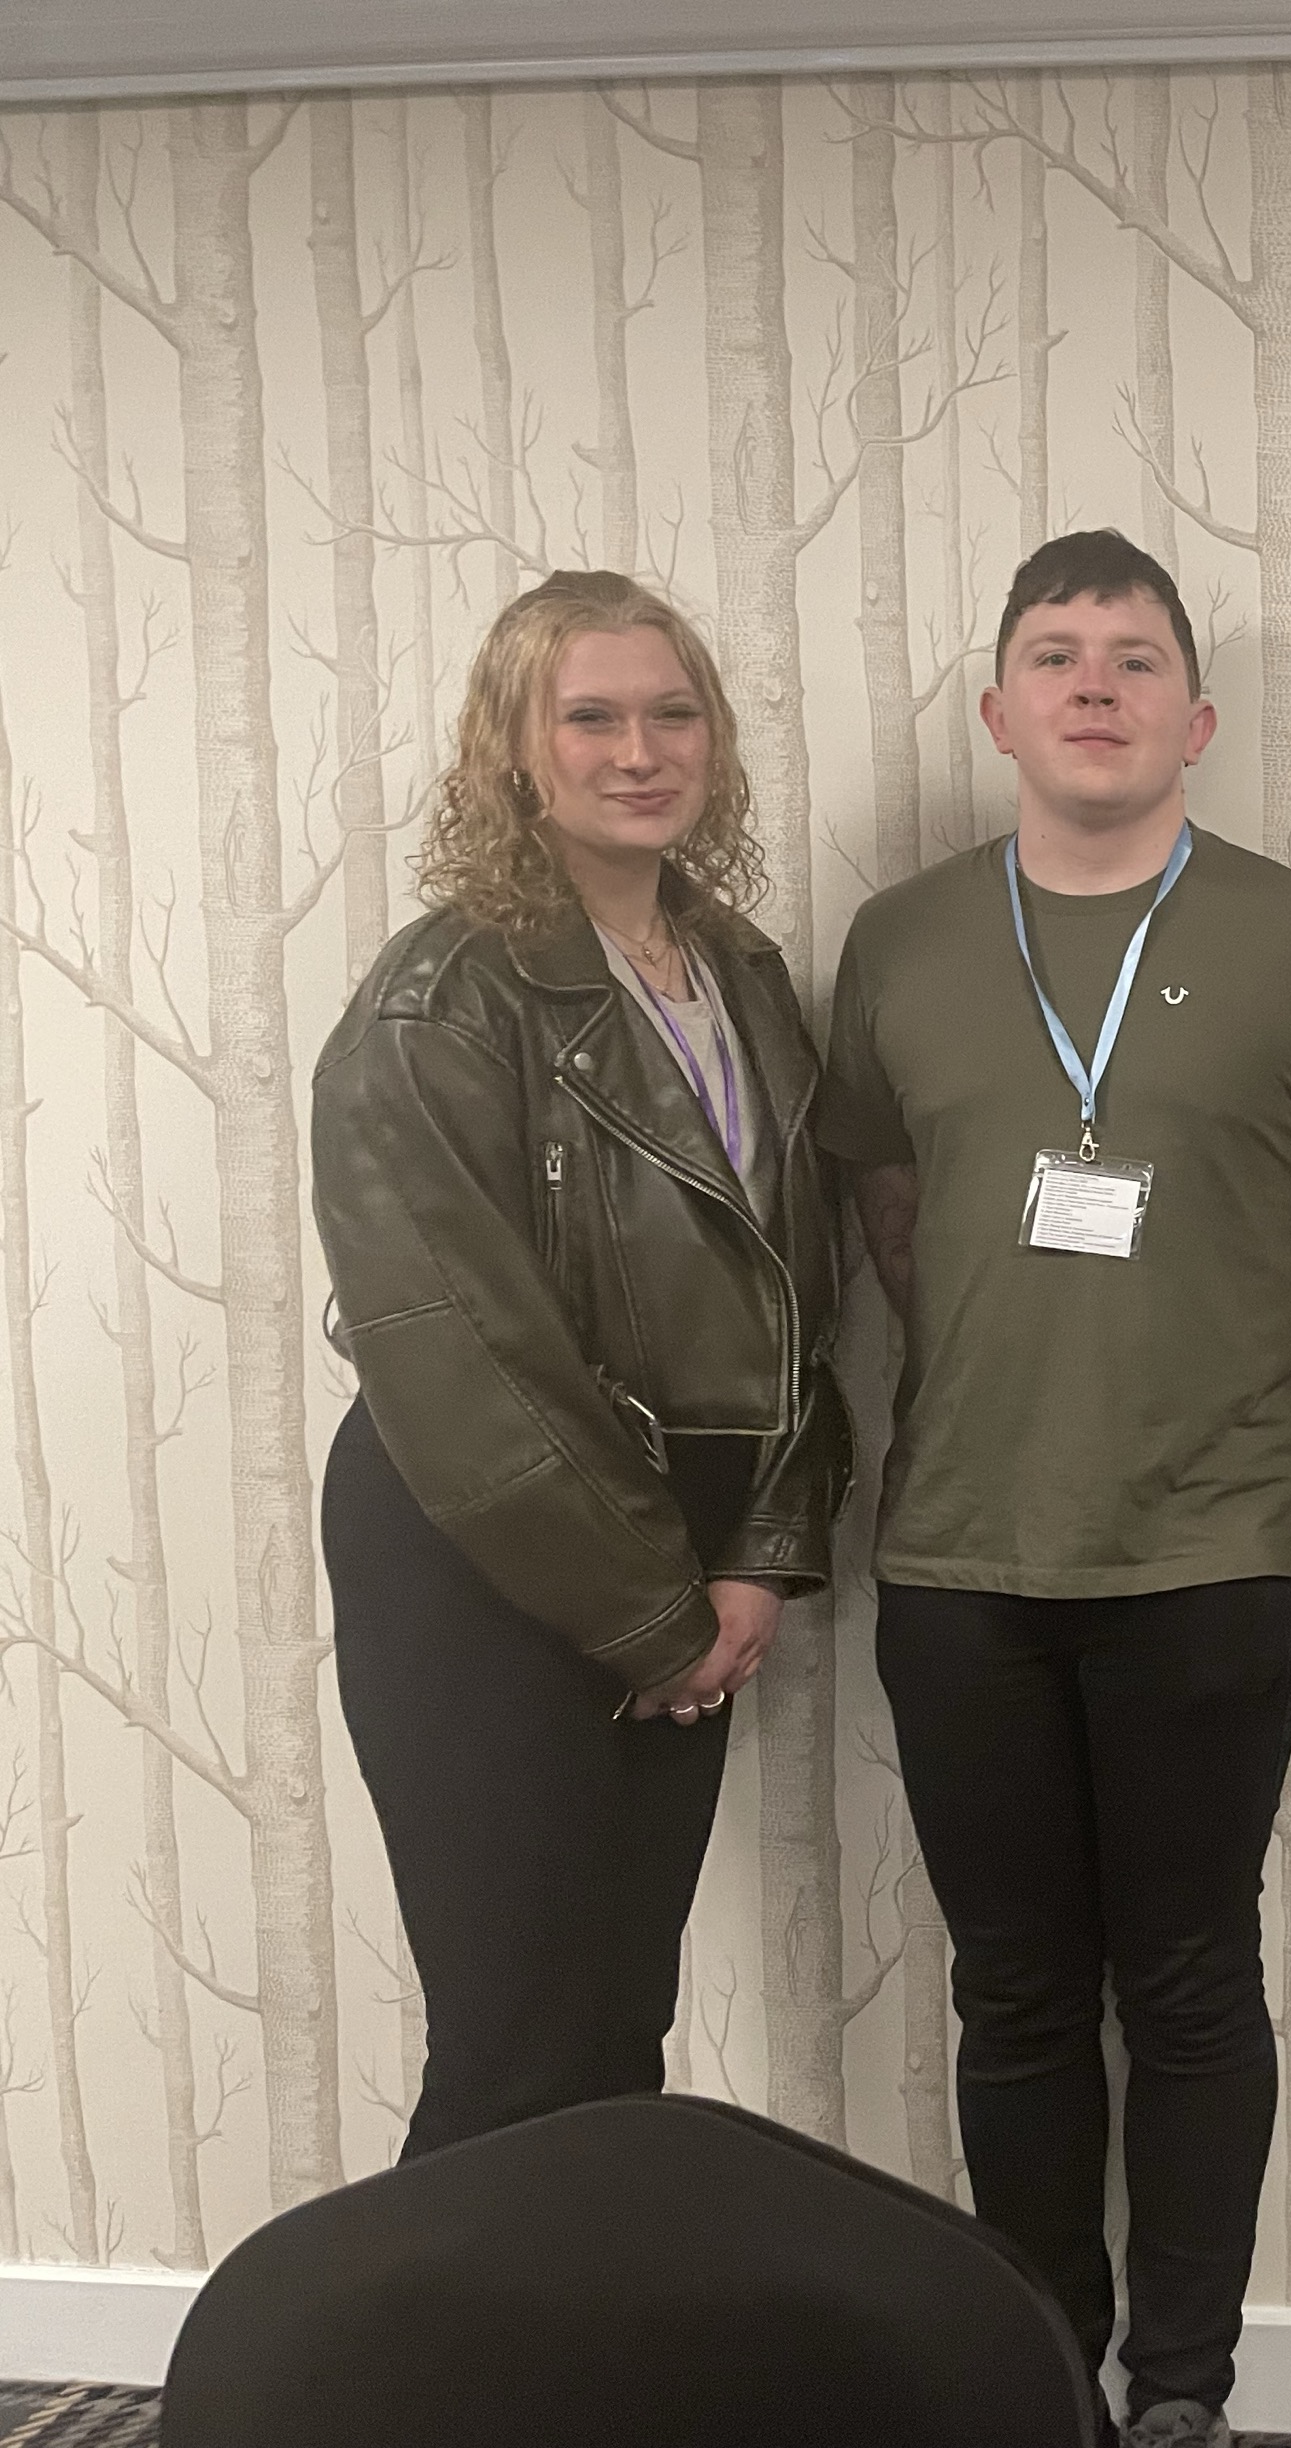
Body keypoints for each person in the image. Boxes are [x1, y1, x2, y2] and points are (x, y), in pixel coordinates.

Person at [821, 529, 1291, 2448]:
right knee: (1015, 1995)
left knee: (1196, 1979)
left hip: (1217, 1553)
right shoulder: (897, 943)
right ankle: (1047, 2371)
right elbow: (890, 1211)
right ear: (997, 711)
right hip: (962, 1553)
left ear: (1195, 719)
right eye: (1055, 654)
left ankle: (1188, 2391)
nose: (1093, 684)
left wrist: (1237, 1405)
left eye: (1135, 658)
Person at [312, 570, 848, 2156]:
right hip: (483, 1549)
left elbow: (796, 1292)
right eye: (592, 716)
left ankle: (589, 2312)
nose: (640, 750)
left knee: (617, 2027)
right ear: (512, 747)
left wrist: (755, 1555)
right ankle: (416, 2329)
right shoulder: (437, 1000)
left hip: (685, 1552)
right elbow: (456, 1354)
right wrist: (650, 1615)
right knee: (516, 2042)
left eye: (673, 713)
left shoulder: (737, 970)